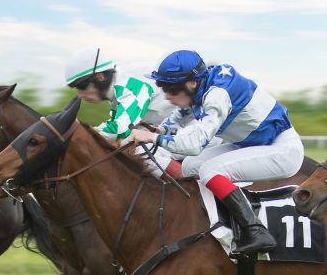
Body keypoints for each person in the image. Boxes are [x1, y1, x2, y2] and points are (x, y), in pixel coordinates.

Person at [127, 50, 302, 259]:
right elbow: (177, 120)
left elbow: (193, 144)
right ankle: (206, 219)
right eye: (162, 88)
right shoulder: (200, 86)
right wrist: (159, 131)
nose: (166, 95)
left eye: (170, 89)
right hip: (250, 144)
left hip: (282, 150)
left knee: (209, 170)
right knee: (190, 166)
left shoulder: (217, 95)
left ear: (191, 83)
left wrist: (152, 139)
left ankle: (255, 231)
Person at [63, 48, 170, 142]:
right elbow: (114, 123)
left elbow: (121, 129)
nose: (80, 95)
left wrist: (77, 138)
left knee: (143, 154)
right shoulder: (115, 88)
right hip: (170, 130)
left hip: (183, 130)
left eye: (81, 86)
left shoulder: (128, 84)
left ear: (100, 77)